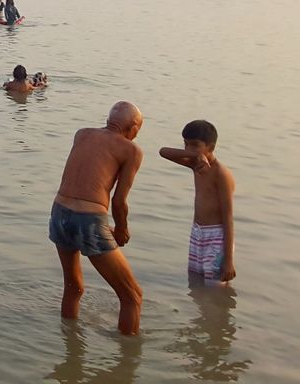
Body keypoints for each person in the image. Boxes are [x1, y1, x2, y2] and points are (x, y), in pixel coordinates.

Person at [49, 102, 144, 335]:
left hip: (59, 213)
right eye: (138, 129)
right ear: (132, 127)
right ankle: (128, 362)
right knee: (132, 297)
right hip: (88, 219)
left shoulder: (82, 134)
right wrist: (121, 230)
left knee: (73, 288)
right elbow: (119, 201)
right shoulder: (131, 150)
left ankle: (70, 346)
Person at [159, 120, 236, 284]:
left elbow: (228, 218)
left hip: (216, 238)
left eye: (195, 145)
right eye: (186, 144)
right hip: (198, 233)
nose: (188, 149)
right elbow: (163, 152)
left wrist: (228, 260)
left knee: (216, 286)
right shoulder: (195, 164)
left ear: (211, 147)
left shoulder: (221, 173)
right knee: (196, 283)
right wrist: (196, 154)